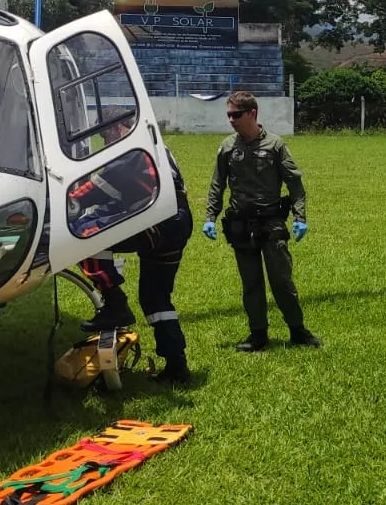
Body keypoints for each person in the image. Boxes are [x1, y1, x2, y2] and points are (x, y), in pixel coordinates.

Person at [72, 111, 195, 384]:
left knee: (84, 238)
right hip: (176, 223)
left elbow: (85, 194)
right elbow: (120, 198)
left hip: (156, 222)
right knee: (155, 299)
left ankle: (115, 304)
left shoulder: (131, 151)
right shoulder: (155, 146)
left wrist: (62, 207)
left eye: (105, 135)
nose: (104, 143)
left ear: (118, 127)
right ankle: (177, 365)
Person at [202, 91, 320, 351]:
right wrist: (210, 216)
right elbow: (217, 183)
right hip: (240, 225)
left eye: (236, 115)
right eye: (229, 115)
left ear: (252, 113)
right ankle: (258, 335)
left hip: (270, 223)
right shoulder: (228, 147)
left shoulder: (275, 145)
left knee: (282, 282)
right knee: (251, 283)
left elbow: (295, 184)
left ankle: (298, 331)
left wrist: (300, 217)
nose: (231, 120)